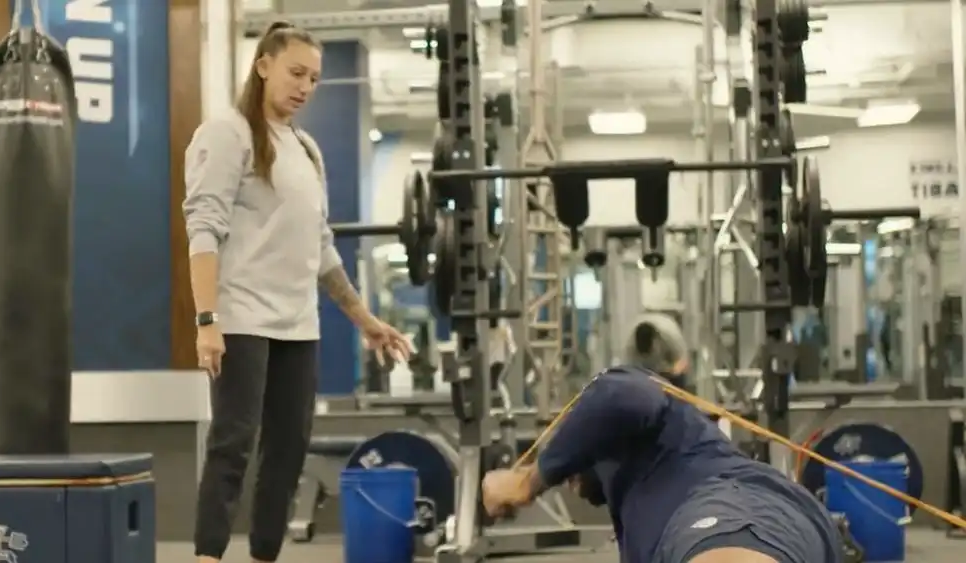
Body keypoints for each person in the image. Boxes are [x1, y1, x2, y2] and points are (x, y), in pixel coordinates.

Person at [182, 22, 411, 563]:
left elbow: (322, 249)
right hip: (239, 317)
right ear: (263, 65)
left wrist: (365, 319)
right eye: (295, 72)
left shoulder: (306, 149)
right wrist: (206, 320)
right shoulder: (227, 134)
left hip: (297, 323)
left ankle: (265, 555)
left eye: (314, 78)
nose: (305, 86)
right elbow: (203, 228)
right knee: (233, 444)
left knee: (286, 453)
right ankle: (206, 556)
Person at [480, 366, 844, 563]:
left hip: (735, 510)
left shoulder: (690, 475)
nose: (570, 479)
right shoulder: (644, 508)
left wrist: (530, 479)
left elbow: (625, 396)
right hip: (786, 523)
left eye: (570, 445)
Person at [627, 312, 690, 387]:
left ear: (655, 339)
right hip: (647, 374)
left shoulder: (670, 334)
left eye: (649, 350)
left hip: (669, 371)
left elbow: (683, 360)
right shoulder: (630, 343)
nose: (647, 354)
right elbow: (630, 370)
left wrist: (672, 373)